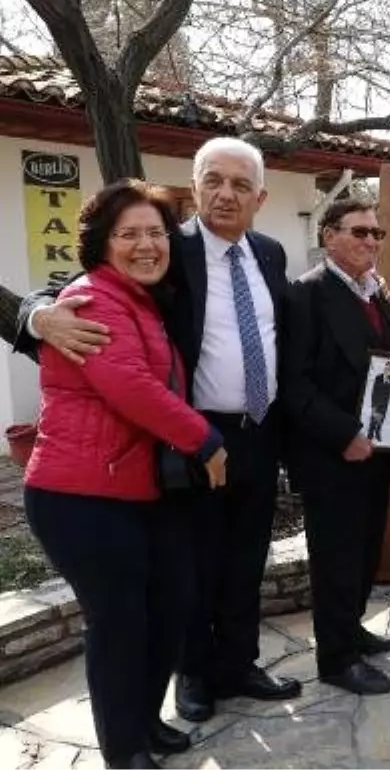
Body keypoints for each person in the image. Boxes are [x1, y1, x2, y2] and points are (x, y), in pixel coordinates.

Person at [16, 137, 300, 721]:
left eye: (241, 185)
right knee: (192, 565)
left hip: (258, 431)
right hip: (189, 437)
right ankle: (194, 673)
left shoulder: (270, 254)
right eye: (214, 180)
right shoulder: (165, 246)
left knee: (249, 557)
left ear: (261, 197)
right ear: (194, 188)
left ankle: (238, 663)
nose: (226, 194)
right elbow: (83, 287)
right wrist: (35, 315)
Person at [22, 180, 228, 770]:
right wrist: (206, 440)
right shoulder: (92, 298)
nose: (146, 244)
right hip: (80, 494)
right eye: (129, 233)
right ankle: (123, 750)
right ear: (101, 243)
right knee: (118, 624)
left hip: (138, 489)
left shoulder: (143, 300)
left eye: (156, 233)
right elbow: (129, 386)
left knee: (167, 608)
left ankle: (142, 722)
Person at [283, 199, 390, 695]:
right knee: (337, 559)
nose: (370, 241)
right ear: (328, 236)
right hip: (332, 455)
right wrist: (343, 435)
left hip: (375, 453)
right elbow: (293, 384)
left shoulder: (375, 295)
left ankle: (352, 630)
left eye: (376, 234)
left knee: (365, 552)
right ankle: (336, 659)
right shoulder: (305, 295)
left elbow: (386, 366)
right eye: (359, 232)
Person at [367, 362, 390, 442]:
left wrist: (388, 380)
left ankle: (377, 432)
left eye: (389, 368)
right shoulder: (378, 377)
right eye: (386, 367)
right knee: (373, 419)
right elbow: (374, 390)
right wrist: (373, 404)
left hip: (385, 402)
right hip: (376, 401)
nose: (387, 369)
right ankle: (370, 434)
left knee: (381, 419)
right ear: (384, 368)